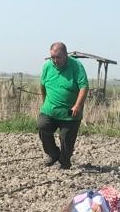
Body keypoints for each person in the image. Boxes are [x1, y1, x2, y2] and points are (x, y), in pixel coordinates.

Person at [38, 42, 89, 170]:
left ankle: (64, 162)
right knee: (42, 126)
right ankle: (53, 153)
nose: (55, 60)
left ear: (66, 55)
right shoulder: (47, 66)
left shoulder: (76, 66)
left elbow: (84, 86)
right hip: (50, 109)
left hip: (70, 112)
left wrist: (78, 105)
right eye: (53, 57)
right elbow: (42, 85)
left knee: (66, 138)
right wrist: (45, 103)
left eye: (58, 57)